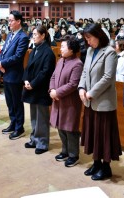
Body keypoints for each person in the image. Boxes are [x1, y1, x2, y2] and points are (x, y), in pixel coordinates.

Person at [78, 23, 121, 181]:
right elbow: (84, 71)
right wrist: (81, 88)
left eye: (89, 38)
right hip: (89, 100)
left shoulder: (109, 52)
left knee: (104, 134)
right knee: (93, 133)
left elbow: (108, 77)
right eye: (86, 39)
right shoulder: (90, 51)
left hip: (103, 102)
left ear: (98, 35)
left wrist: (91, 93)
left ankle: (106, 166)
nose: (87, 41)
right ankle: (96, 162)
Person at [49, 35, 83, 167]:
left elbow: (73, 84)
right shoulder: (60, 61)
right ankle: (65, 151)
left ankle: (74, 155)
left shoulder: (77, 64)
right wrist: (52, 90)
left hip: (70, 102)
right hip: (57, 100)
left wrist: (57, 92)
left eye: (63, 46)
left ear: (71, 49)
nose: (60, 48)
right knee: (60, 126)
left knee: (70, 129)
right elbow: (53, 77)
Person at [23, 25, 56, 154]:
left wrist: (33, 84)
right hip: (31, 87)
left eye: (36, 34)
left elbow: (46, 72)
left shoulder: (48, 52)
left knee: (42, 117)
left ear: (43, 36)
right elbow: (27, 67)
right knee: (33, 116)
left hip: (41, 88)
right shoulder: (34, 50)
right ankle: (34, 139)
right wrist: (26, 80)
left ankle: (42, 143)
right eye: (33, 34)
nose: (33, 37)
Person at [0, 10, 30, 140]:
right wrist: (0, 62)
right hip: (6, 73)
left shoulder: (23, 37)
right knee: (10, 101)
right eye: (8, 20)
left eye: (11, 20)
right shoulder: (10, 35)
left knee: (16, 102)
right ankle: (13, 122)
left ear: (18, 21)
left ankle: (19, 127)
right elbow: (3, 51)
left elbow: (18, 56)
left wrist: (2, 63)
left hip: (15, 74)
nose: (9, 23)